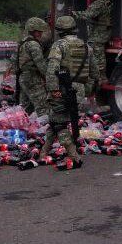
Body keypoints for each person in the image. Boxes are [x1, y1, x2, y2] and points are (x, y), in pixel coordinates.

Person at [43, 16, 99, 167]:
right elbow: (95, 73)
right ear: (74, 29)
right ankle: (44, 152)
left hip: (62, 89)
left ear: (60, 31)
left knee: (59, 123)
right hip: (79, 91)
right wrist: (89, 91)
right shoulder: (87, 46)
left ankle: (74, 156)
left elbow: (52, 68)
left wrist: (53, 89)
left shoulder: (59, 45)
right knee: (57, 119)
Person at [72, 0, 112, 81]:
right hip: (104, 31)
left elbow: (88, 15)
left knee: (98, 54)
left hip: (99, 35)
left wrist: (74, 13)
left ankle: (101, 77)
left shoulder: (98, 4)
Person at [15, 17, 50, 114]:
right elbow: (41, 65)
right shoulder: (34, 45)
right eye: (39, 31)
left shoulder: (22, 42)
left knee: (26, 109)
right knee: (43, 107)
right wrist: (49, 78)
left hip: (23, 78)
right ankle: (45, 128)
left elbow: (14, 60)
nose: (41, 33)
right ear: (33, 31)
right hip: (32, 79)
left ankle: (24, 127)